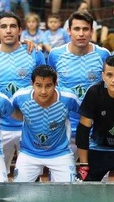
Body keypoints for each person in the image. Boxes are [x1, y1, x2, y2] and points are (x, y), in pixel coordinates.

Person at [0, 12, 45, 173]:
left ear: (20, 30)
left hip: (29, 125)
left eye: (12, 26)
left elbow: (45, 87)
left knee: (31, 176)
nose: (8, 30)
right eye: (3, 26)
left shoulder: (34, 53)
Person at [47, 11, 110, 154]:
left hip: (96, 125)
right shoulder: (55, 55)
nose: (81, 34)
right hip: (64, 125)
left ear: (92, 31)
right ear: (69, 31)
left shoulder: (103, 54)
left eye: (85, 29)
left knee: (98, 174)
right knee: (64, 175)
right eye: (76, 29)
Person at [11, 65, 80, 182]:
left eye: (48, 86)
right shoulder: (20, 97)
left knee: (69, 193)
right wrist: (26, 118)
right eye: (38, 85)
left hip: (60, 152)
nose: (43, 91)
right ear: (32, 83)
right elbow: (10, 111)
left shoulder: (68, 98)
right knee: (18, 191)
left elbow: (84, 114)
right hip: (29, 152)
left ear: (55, 84)